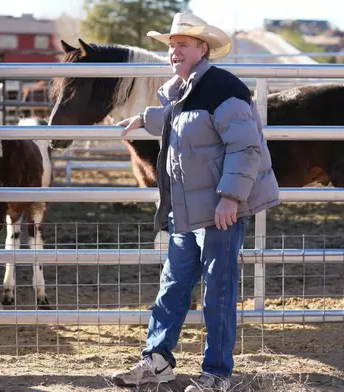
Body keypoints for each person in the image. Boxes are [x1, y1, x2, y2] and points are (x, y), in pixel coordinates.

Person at [112, 12, 280, 392]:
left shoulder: (225, 88)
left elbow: (246, 146)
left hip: (219, 210)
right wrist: (142, 119)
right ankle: (157, 360)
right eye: (171, 45)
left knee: (218, 289)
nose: (174, 52)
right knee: (173, 284)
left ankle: (217, 373)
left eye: (182, 45)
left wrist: (230, 199)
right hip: (186, 209)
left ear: (203, 49)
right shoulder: (181, 89)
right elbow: (178, 121)